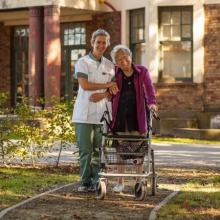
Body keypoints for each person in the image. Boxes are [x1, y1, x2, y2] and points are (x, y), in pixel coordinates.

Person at [72, 29, 118, 192]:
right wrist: (106, 86)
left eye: (104, 42)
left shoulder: (110, 66)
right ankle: (85, 182)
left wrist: (103, 94)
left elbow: (114, 90)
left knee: (99, 149)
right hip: (83, 114)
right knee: (86, 150)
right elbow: (84, 85)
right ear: (92, 43)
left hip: (102, 113)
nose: (101, 45)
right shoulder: (82, 62)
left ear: (107, 44)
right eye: (98, 42)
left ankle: (96, 182)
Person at [110, 44, 157, 193]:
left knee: (138, 150)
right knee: (120, 152)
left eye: (125, 57)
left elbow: (149, 89)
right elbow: (107, 89)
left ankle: (138, 181)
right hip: (120, 116)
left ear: (131, 57)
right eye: (119, 59)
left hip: (138, 116)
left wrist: (152, 104)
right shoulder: (114, 73)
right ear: (115, 62)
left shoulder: (141, 71)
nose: (123, 61)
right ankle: (120, 182)